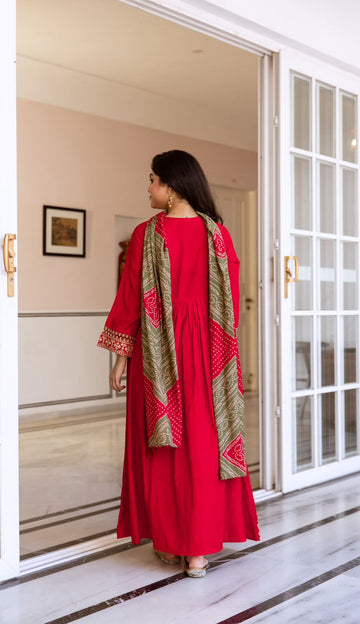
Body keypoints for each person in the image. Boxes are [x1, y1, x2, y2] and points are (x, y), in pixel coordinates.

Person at [98, 150, 260, 578]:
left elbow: (130, 302)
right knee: (205, 448)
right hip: (210, 354)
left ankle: (171, 543)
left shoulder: (146, 235)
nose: (148, 188)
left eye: (152, 180)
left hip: (158, 353)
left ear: (171, 187)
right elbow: (229, 306)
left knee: (164, 446)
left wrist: (119, 359)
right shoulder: (218, 235)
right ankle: (198, 553)